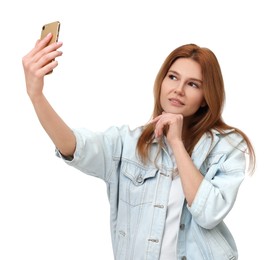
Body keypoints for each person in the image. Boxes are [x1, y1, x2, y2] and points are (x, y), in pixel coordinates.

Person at [22, 33, 255, 260]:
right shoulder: (128, 144)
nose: (178, 89)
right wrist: (37, 96)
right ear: (162, 81)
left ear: (206, 97)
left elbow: (209, 213)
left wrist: (176, 143)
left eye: (193, 84)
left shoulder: (227, 147)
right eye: (172, 77)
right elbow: (73, 146)